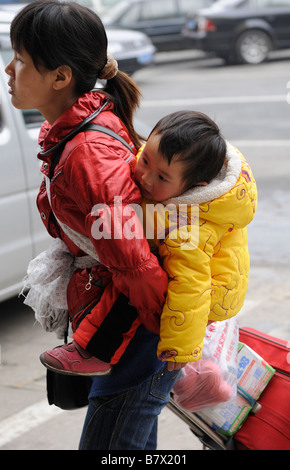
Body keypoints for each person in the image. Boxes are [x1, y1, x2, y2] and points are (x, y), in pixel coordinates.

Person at [6, 0, 181, 450]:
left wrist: (169, 331)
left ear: (61, 77)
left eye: (21, 60)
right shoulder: (73, 129)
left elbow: (132, 258)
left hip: (137, 328)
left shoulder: (87, 151)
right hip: (127, 322)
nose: (9, 69)